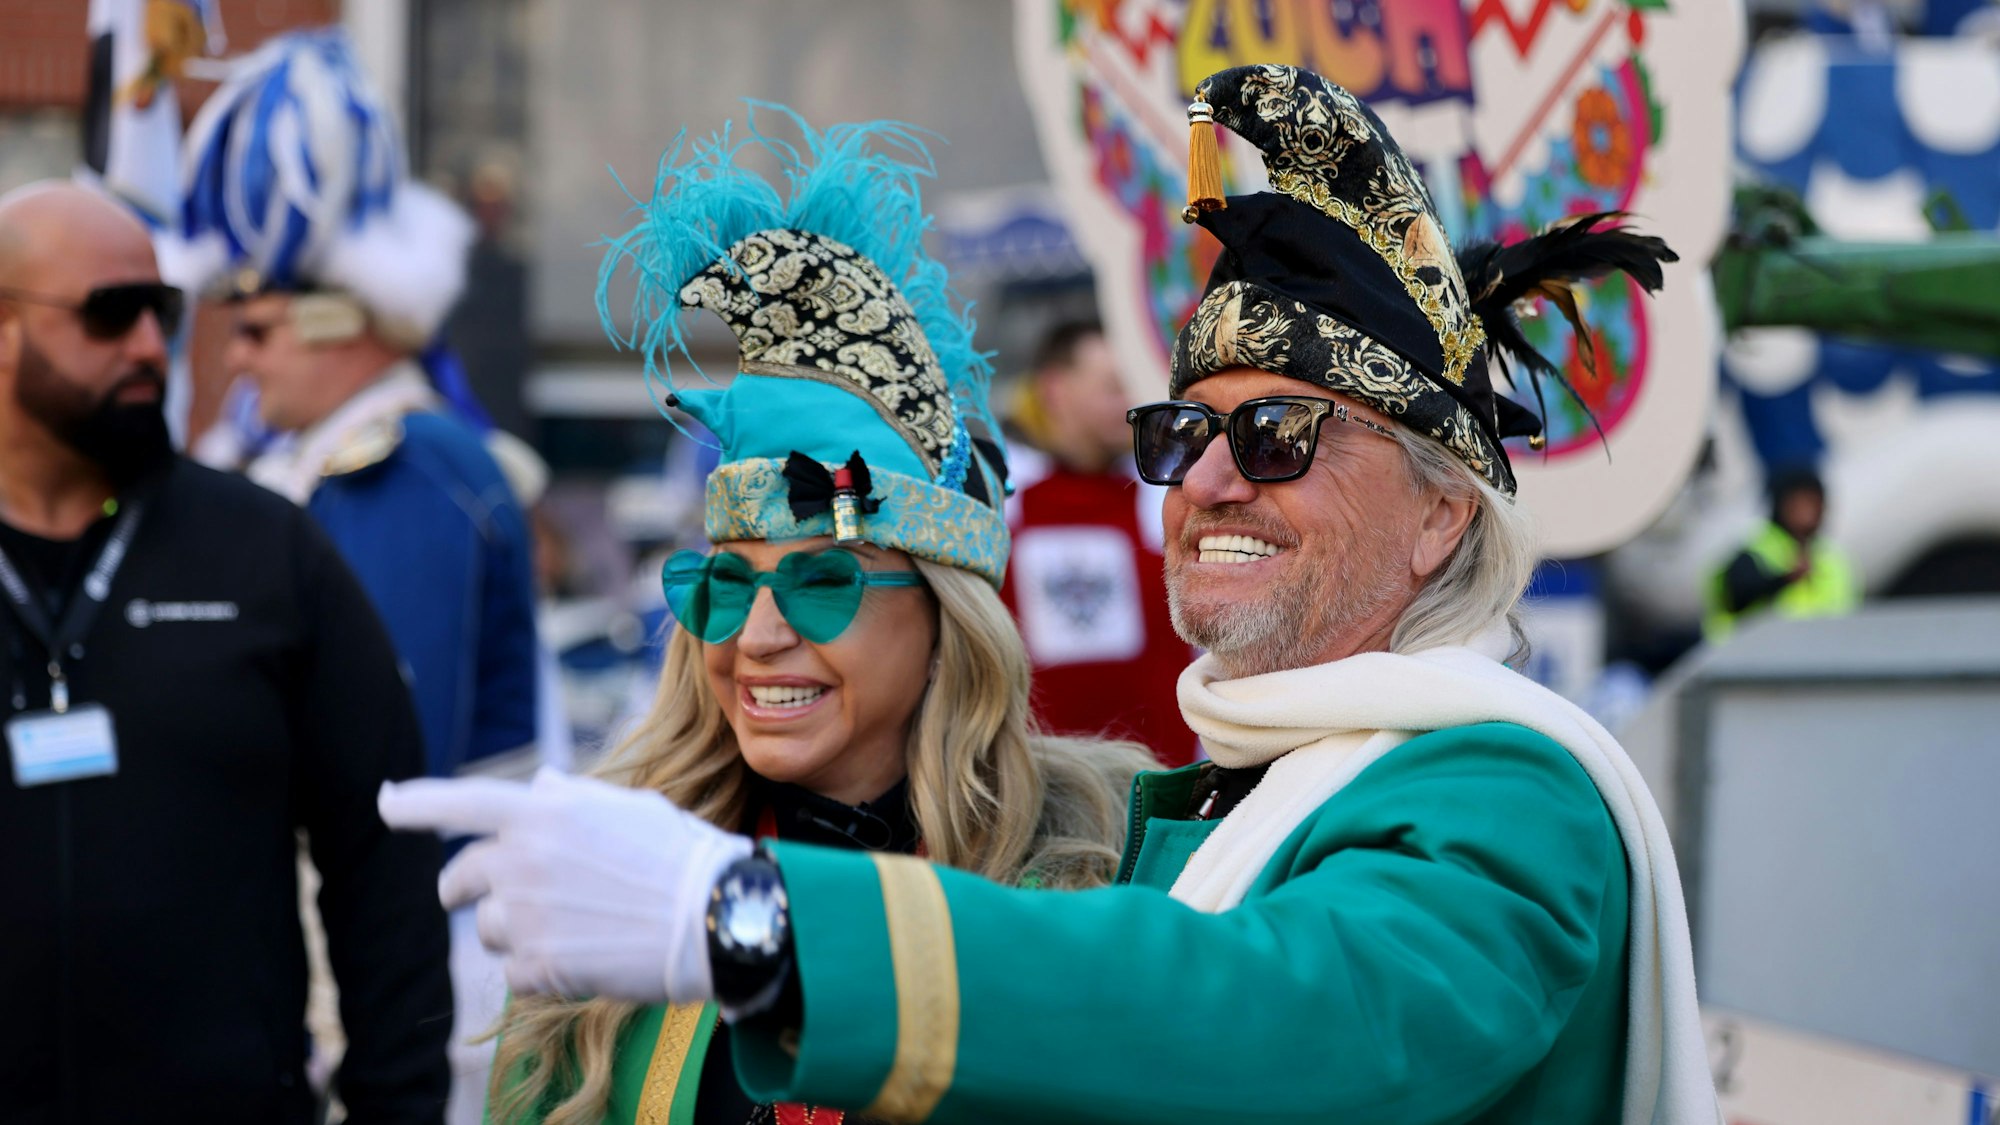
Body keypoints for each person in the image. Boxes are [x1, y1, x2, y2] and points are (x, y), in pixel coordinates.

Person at [382, 66, 1718, 1124]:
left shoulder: (1506, 792)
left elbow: (1280, 1023)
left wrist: (748, 924)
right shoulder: (1206, 799)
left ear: (1440, 514)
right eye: (1184, 434)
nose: (1211, 481)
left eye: (1278, 436)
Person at [467, 109, 1151, 1125]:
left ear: (946, 621)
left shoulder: (1093, 888)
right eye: (726, 585)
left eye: (825, 583)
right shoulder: (611, 892)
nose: (757, 637)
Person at [0, 182, 450, 1122]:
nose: (150, 348)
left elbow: (387, 865)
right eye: (109, 314)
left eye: (161, 312)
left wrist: (396, 1106)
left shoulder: (266, 552)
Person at [172, 28, 540, 781]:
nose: (236, 357)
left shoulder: (406, 467)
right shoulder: (333, 456)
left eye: (255, 330)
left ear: (338, 318)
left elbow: (381, 758)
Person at [1000, 320, 1195, 764]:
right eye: (1113, 386)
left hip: (1162, 781)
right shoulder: (999, 494)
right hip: (1036, 780)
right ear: (1055, 389)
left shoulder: (1167, 494)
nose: (1131, 402)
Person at [1703, 462, 1858, 641]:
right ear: (1779, 506)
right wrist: (1783, 580)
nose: (1806, 513)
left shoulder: (1834, 559)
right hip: (1754, 663)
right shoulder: (1755, 551)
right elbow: (1737, 595)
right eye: (1798, 504)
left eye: (1813, 502)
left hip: (1824, 661)